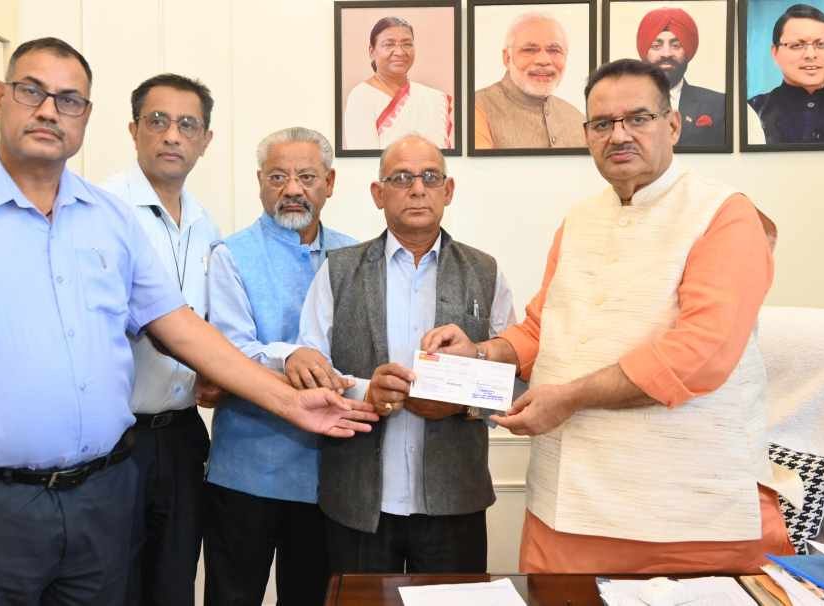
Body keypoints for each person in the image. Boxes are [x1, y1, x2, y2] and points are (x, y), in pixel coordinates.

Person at [0, 39, 375, 606]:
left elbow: (181, 327)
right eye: (32, 91)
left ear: (86, 116)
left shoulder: (110, 220)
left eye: (69, 100)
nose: (49, 110)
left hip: (100, 499)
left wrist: (289, 402)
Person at [423, 59, 797, 574]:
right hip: (566, 509)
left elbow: (700, 354)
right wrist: (481, 353)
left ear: (672, 125)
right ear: (587, 135)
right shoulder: (579, 220)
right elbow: (542, 329)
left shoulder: (724, 214)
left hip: (689, 516)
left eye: (638, 118)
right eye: (602, 123)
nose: (619, 135)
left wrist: (569, 397)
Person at [288, 134, 516, 573]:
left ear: (448, 190)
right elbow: (312, 373)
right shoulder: (338, 270)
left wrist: (461, 403)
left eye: (430, 177)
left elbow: (512, 381)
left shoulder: (485, 272)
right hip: (357, 503)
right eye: (401, 178)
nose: (417, 189)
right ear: (378, 194)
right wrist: (365, 393)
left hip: (455, 500)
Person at [201, 127, 357, 606]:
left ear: (330, 183)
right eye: (277, 177)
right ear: (259, 183)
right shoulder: (231, 255)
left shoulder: (355, 257)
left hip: (331, 477)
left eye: (306, 177)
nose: (292, 189)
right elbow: (227, 354)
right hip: (247, 471)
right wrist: (289, 355)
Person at [101, 73, 218, 606]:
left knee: (174, 584)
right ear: (134, 130)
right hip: (116, 441)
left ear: (205, 140)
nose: (172, 135)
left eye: (187, 124)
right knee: (113, 586)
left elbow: (209, 326)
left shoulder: (206, 224)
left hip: (183, 435)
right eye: (158, 121)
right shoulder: (101, 211)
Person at [748, 3, 824, 144]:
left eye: (821, 44)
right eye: (797, 45)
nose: (810, 55)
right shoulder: (753, 111)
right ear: (775, 53)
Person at [475, 13, 586, 149]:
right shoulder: (476, 108)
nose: (543, 61)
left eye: (554, 50)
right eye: (529, 50)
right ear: (507, 58)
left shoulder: (578, 120)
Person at [343, 16, 454, 150]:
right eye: (389, 44)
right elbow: (363, 158)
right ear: (372, 52)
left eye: (407, 44)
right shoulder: (361, 96)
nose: (400, 52)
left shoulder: (433, 98)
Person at [637, 7, 726, 147]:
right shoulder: (622, 104)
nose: (666, 54)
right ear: (644, 52)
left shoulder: (720, 105)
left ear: (688, 52)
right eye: (656, 45)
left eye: (676, 45)